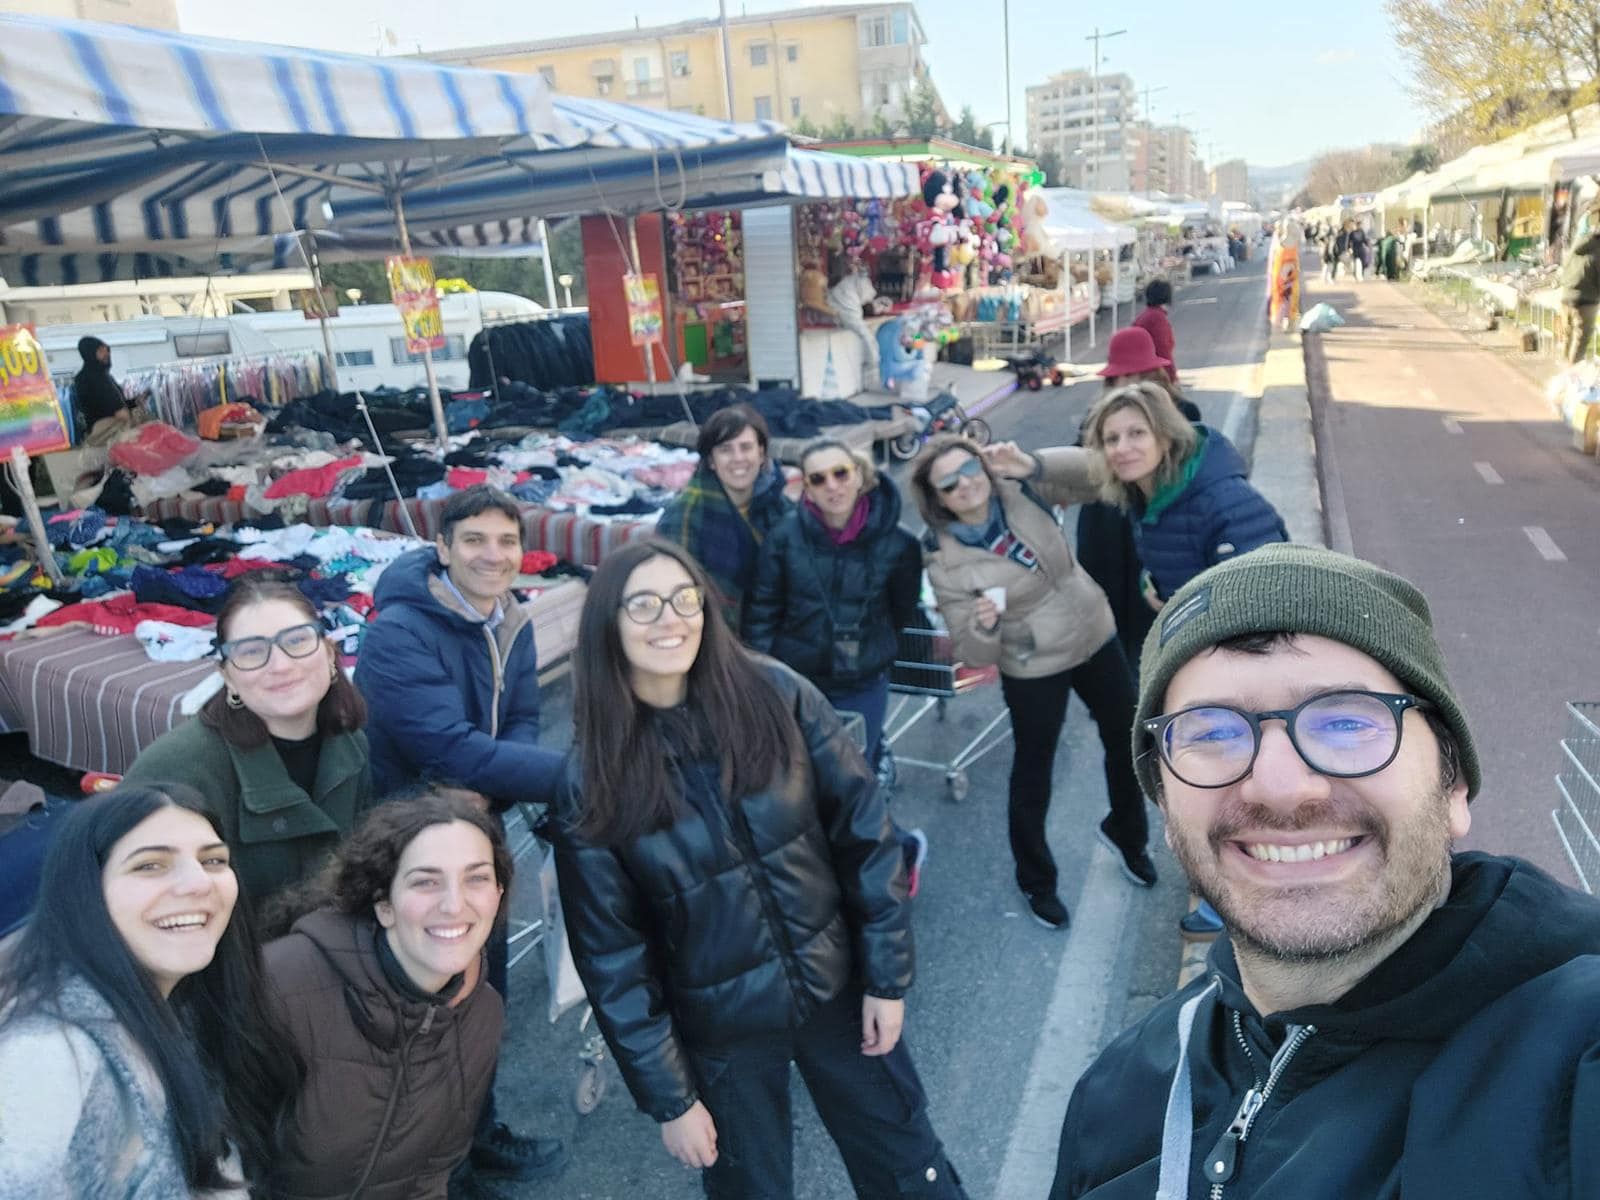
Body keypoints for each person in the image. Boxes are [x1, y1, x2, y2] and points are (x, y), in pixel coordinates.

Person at [1048, 544, 1600, 1199]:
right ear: (1167, 810)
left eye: (1344, 721)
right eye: (1213, 733)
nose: (1280, 788)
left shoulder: (1575, 1053)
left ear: (1453, 788)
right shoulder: (1118, 1094)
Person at [551, 537, 967, 1199]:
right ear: (608, 624)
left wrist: (887, 978)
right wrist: (671, 1100)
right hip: (721, 1035)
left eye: (685, 598)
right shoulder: (593, 774)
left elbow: (864, 833)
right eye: (645, 605)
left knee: (907, 1167)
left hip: (837, 990)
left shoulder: (776, 693)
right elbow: (613, 958)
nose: (671, 618)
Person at [354, 483, 566, 1187]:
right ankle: (435, 1161)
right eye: (474, 539)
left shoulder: (513, 619)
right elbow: (446, 745)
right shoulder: (397, 632)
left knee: (481, 996)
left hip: (477, 832)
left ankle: (478, 1133)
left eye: (507, 541)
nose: (492, 554)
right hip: (410, 846)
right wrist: (580, 777)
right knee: (426, 1007)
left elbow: (525, 720)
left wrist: (495, 786)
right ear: (442, 549)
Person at [0, 783, 302, 1197]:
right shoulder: (46, 1056)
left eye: (213, 860)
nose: (198, 883)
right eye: (150, 865)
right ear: (85, 891)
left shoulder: (190, 1008)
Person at [911, 436, 1156, 930]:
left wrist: (1033, 458)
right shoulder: (943, 556)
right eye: (950, 483)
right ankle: (1036, 880)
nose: (966, 484)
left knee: (1128, 738)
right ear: (937, 497)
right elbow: (973, 652)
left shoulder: (1019, 486)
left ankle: (1128, 835)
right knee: (1033, 770)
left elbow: (1099, 472)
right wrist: (982, 624)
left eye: (970, 469)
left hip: (1093, 629)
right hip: (1033, 660)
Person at [263, 790, 514, 1200]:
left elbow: (432, 1172)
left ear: (498, 895)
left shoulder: (483, 1013)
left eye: (477, 878)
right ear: (384, 905)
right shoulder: (282, 985)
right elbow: (217, 1164)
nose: (455, 904)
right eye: (426, 881)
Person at [746, 437, 929, 892]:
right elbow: (763, 613)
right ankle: (828, 869)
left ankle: (896, 852)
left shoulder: (899, 543)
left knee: (851, 783)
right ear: (805, 487)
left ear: (860, 475)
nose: (832, 486)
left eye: (841, 473)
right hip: (797, 680)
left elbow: (902, 608)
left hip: (862, 681)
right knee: (799, 780)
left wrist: (874, 648)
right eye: (818, 478)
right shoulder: (785, 540)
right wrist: (761, 680)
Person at [124, 576, 371, 912]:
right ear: (227, 676)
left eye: (297, 641)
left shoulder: (351, 743)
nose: (281, 665)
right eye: (252, 651)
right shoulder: (177, 770)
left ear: (329, 655)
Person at [1077, 329, 1201, 671]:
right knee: (1111, 631)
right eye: (1120, 377)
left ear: (1153, 376)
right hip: (1105, 538)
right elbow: (1080, 467)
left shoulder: (1183, 414)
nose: (1128, 385)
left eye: (1136, 375)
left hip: (1160, 534)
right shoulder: (1097, 419)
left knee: (1157, 630)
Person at [655, 404, 791, 631]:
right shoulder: (685, 514)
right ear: (711, 461)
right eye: (726, 449)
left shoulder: (781, 508)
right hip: (713, 635)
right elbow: (674, 591)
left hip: (778, 630)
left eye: (746, 447)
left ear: (761, 454)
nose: (738, 458)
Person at [72, 335, 145, 445]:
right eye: (101, 351)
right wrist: (129, 419)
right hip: (108, 432)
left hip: (111, 430)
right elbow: (115, 408)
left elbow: (114, 402)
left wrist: (134, 402)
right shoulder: (91, 377)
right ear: (90, 354)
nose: (107, 354)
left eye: (107, 350)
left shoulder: (102, 375)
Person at [1559, 208, 1600, 364]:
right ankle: (1572, 375)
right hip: (1586, 300)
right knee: (1581, 339)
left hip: (1566, 296)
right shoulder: (1598, 252)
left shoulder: (1576, 245)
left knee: (1567, 336)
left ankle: (1563, 370)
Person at [1130, 279, 1178, 387]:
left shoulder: (1145, 316)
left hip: (1139, 373)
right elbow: (1163, 351)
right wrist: (1172, 377)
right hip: (1152, 375)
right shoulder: (1157, 318)